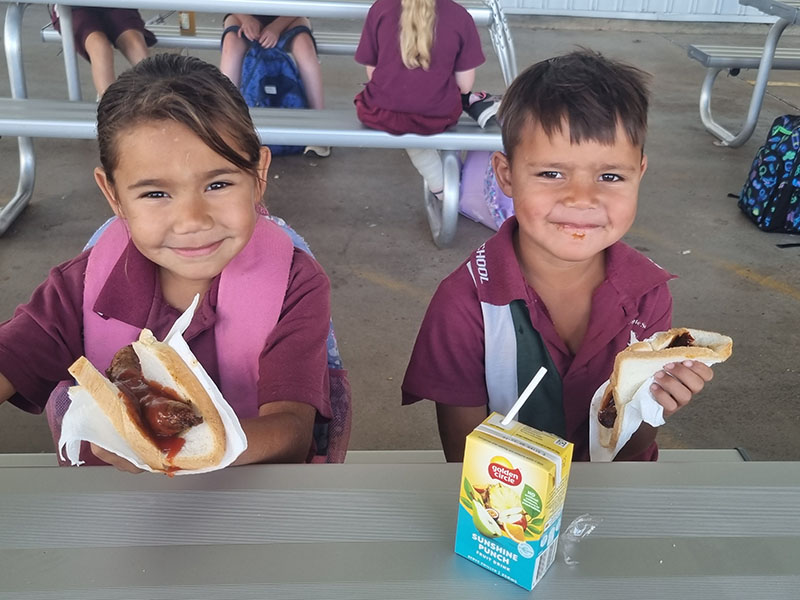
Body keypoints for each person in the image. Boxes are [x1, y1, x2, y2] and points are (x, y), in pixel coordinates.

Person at [0, 54, 333, 471]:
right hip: (116, 509)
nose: (193, 220)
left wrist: (170, 455)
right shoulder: (80, 287)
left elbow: (291, 432)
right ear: (113, 195)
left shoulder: (295, 285)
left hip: (250, 505)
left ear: (259, 175)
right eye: (156, 194)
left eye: (218, 183)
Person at [402, 50, 718, 462]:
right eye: (552, 173)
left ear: (639, 173)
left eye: (610, 176)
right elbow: (465, 462)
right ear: (506, 176)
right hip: (508, 516)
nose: (582, 199)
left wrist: (657, 404)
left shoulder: (648, 294)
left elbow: (632, 452)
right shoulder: (467, 304)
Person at [354, 0, 499, 200]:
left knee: (403, 113)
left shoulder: (380, 8)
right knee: (426, 108)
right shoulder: (459, 16)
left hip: (380, 112)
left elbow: (372, 73)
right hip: (438, 115)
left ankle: (440, 186)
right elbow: (464, 85)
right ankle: (444, 187)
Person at [219, 15, 329, 158]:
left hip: (290, 15)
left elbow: (298, 6)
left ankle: (319, 126)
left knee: (304, 46)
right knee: (231, 45)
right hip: (242, 13)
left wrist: (276, 27)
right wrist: (246, 20)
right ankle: (226, 123)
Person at [49, 6, 156, 97]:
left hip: (116, 5)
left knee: (135, 44)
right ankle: (109, 108)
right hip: (73, 8)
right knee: (99, 47)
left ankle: (156, 99)